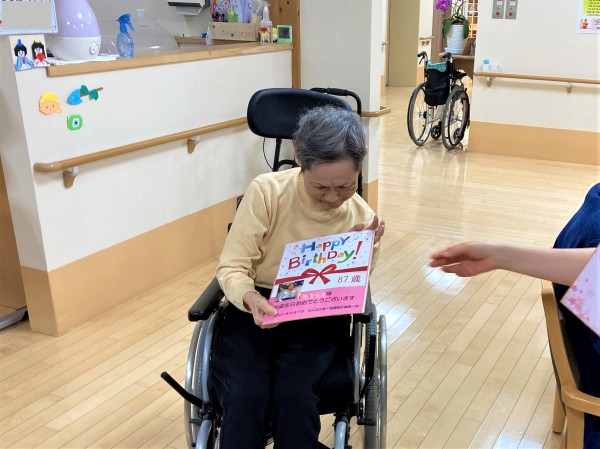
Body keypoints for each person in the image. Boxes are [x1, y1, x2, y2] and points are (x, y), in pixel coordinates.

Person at [212, 105, 385, 449]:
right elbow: (232, 267)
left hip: (318, 316)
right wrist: (250, 298)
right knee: (246, 395)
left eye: (345, 186)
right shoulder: (267, 192)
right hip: (256, 307)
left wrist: (354, 254)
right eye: (320, 186)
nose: (333, 197)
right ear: (299, 162)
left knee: (294, 394)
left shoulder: (362, 217)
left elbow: (355, 288)